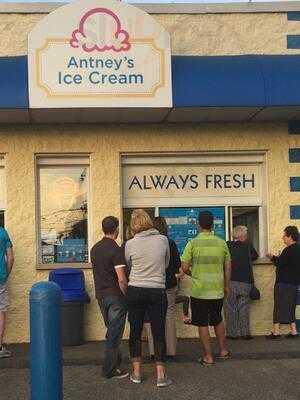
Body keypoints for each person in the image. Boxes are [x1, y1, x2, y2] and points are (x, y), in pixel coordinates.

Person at [125, 209, 171, 387]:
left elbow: (129, 265)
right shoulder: (163, 240)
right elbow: (166, 264)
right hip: (157, 290)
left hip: (135, 289)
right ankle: (161, 375)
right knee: (158, 331)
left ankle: (136, 373)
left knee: (135, 331)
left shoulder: (130, 244)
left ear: (134, 225)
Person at [181, 211, 231, 366]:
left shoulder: (193, 243)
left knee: (202, 323)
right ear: (213, 224)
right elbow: (228, 266)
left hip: (199, 291)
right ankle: (223, 351)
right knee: (218, 320)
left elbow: (184, 267)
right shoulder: (222, 243)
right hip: (217, 290)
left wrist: (193, 273)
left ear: (198, 224)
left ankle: (208, 357)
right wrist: (226, 285)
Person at [90, 216, 128, 379]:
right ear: (117, 229)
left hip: (101, 296)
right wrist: (126, 294)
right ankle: (109, 369)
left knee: (111, 330)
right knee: (114, 333)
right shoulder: (116, 249)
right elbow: (121, 278)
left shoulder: (94, 249)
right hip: (115, 296)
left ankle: (116, 362)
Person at [144, 216, 181, 359]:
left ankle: (154, 352)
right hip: (169, 284)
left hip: (152, 284)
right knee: (169, 315)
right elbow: (177, 265)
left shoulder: (148, 243)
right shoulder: (170, 243)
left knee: (153, 317)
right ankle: (171, 351)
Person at [224, 225, 258, 340]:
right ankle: (245, 333)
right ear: (243, 236)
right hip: (245, 281)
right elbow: (255, 257)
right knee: (244, 307)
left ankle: (231, 334)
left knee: (230, 307)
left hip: (231, 280)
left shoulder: (227, 245)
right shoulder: (248, 246)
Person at [266, 225, 300, 339]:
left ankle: (276, 332)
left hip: (283, 282)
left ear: (290, 236)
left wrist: (272, 257)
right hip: (294, 282)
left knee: (278, 306)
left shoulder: (288, 250)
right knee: (291, 306)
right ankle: (294, 331)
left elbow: (279, 263)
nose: (283, 238)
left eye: (284, 235)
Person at [0, 226, 14, 358]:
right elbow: (10, 258)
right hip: (0, 278)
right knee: (1, 311)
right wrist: (6, 274)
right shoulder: (3, 233)